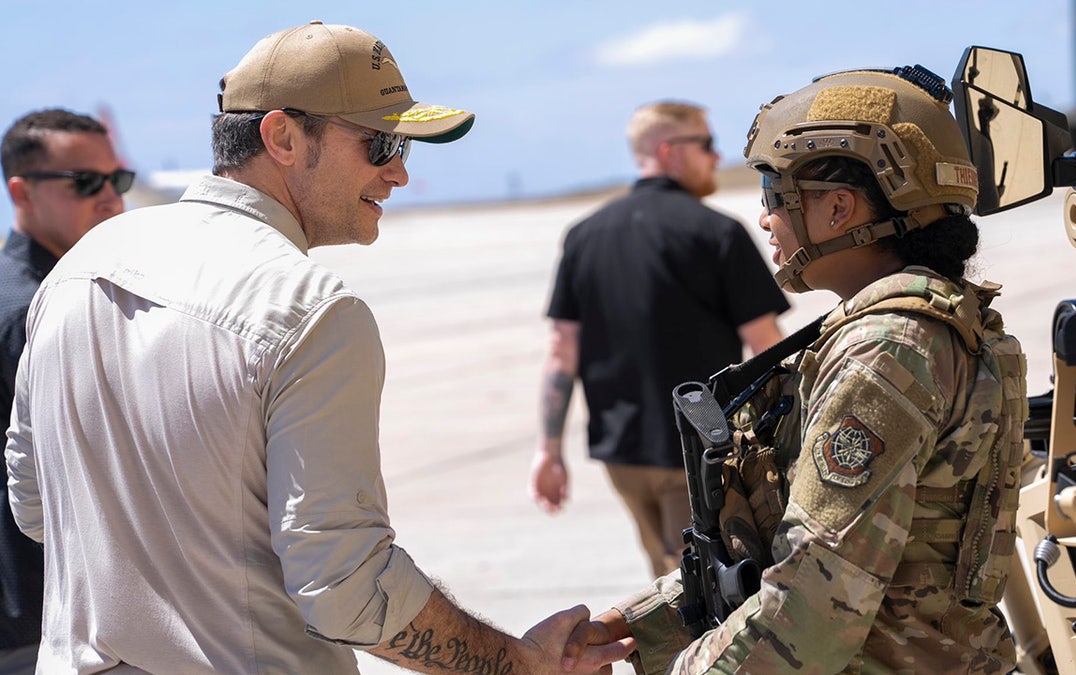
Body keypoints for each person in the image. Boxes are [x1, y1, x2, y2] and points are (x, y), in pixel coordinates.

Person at [4, 21, 632, 674]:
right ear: (281, 136)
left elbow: (34, 504)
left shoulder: (79, 267)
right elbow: (347, 590)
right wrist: (518, 663)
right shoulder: (310, 309)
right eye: (381, 142)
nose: (398, 174)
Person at [564, 66, 1030, 673]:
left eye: (772, 196)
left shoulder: (885, 354)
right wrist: (614, 634)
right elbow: (780, 563)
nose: (764, 220)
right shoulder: (919, 329)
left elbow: (809, 612)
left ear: (838, 208)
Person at [530, 101, 790, 579]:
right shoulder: (717, 233)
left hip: (621, 455)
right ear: (670, 151)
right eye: (707, 144)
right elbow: (766, 348)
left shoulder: (584, 235)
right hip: (693, 451)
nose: (716, 157)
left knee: (667, 578)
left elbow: (561, 352)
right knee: (708, 586)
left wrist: (548, 450)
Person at [0, 108, 131, 674]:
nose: (109, 197)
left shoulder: (53, 291)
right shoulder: (33, 310)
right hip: (43, 609)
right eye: (84, 181)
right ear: (21, 193)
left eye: (116, 179)